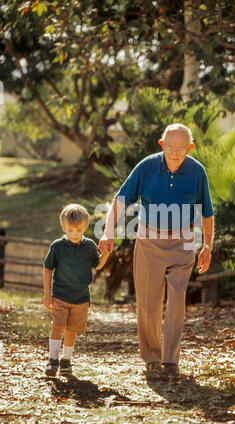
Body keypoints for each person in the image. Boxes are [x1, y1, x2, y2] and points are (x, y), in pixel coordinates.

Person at [99, 123, 214, 378]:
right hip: (149, 240)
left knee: (176, 301)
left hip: (183, 242)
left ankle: (170, 361)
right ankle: (152, 358)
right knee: (149, 303)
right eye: (170, 149)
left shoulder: (197, 172)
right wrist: (108, 232)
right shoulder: (147, 166)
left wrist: (207, 246)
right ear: (162, 145)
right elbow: (120, 200)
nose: (175, 154)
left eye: (181, 150)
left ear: (190, 148)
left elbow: (207, 212)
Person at [43, 203, 108, 377]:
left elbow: (97, 264)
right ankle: (52, 360)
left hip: (80, 298)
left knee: (71, 330)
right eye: (70, 230)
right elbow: (48, 269)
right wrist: (47, 294)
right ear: (63, 227)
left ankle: (66, 360)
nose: (74, 234)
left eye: (79, 230)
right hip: (60, 296)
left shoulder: (89, 247)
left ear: (85, 227)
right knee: (57, 327)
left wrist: (106, 254)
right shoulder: (57, 247)